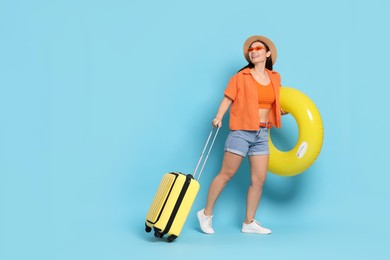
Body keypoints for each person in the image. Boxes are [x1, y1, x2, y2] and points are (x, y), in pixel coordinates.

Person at [197, 35, 287, 235]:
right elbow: (228, 99)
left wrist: (284, 110)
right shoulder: (240, 77)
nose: (253, 51)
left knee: (259, 179)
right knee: (226, 174)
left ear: (268, 54)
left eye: (258, 48)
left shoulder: (275, 77)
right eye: (251, 49)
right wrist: (218, 117)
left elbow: (274, 103)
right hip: (242, 132)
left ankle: (248, 222)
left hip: (263, 133)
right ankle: (206, 213)